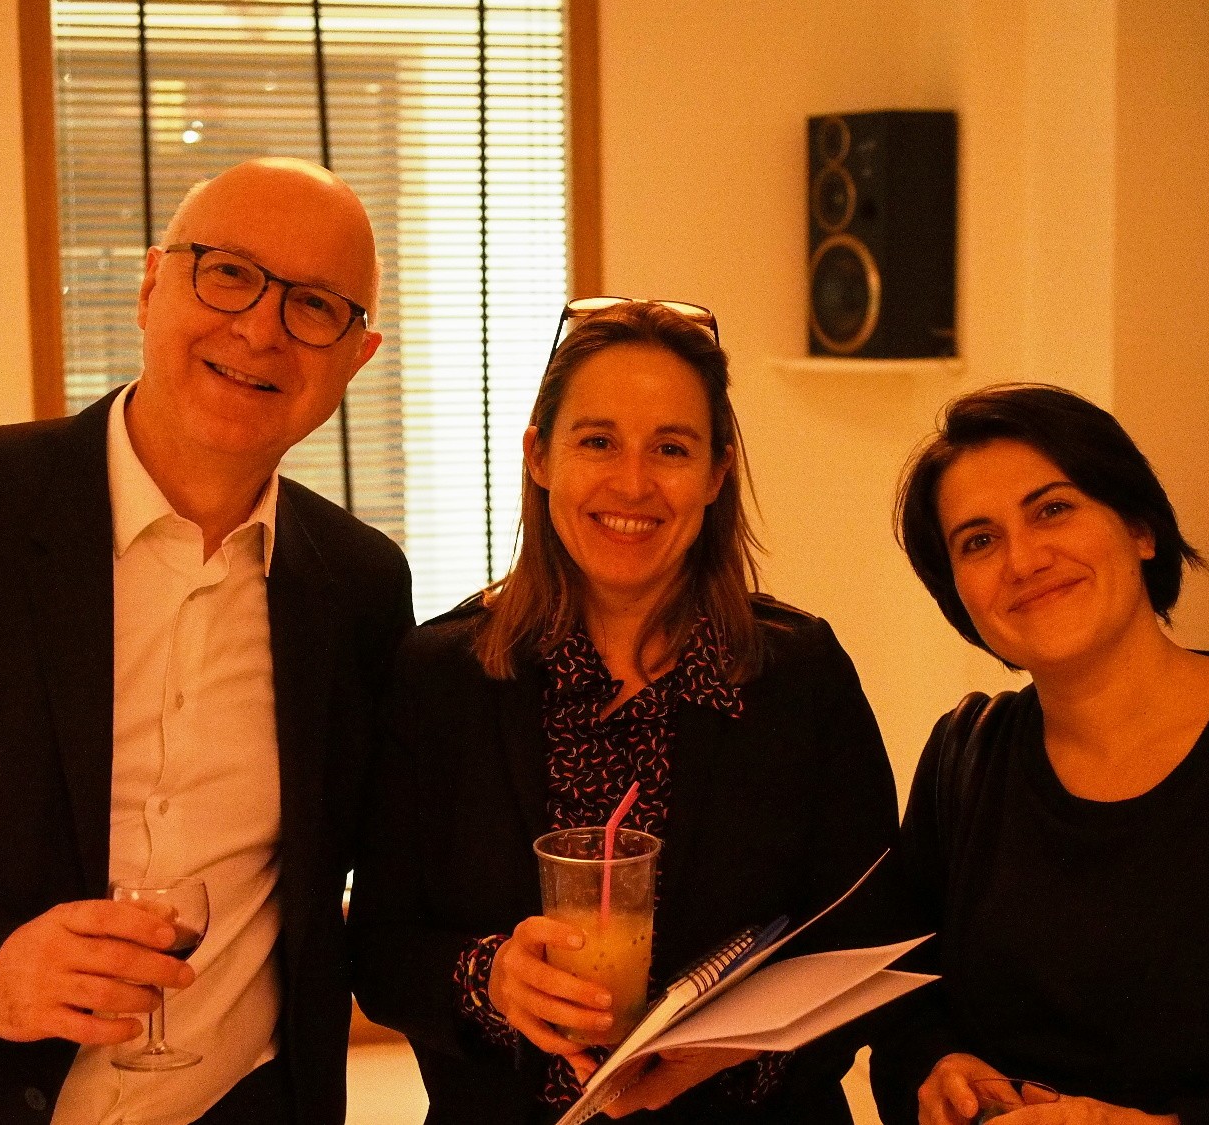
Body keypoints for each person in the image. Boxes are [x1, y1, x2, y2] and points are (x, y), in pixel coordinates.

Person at [0, 157, 413, 1124]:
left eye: (314, 306)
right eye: (229, 273)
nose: (261, 329)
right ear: (152, 285)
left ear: (356, 357)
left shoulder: (360, 588)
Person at [349, 298, 899, 1124]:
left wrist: (727, 1053)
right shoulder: (442, 677)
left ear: (716, 473)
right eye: (598, 441)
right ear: (540, 455)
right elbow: (380, 948)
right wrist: (491, 977)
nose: (633, 483)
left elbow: (868, 933)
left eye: (670, 448)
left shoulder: (800, 676)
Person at [871, 383, 1209, 1125]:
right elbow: (902, 1008)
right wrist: (938, 1069)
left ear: (1140, 528)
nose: (1024, 559)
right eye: (979, 540)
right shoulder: (963, 761)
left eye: (1052, 509)